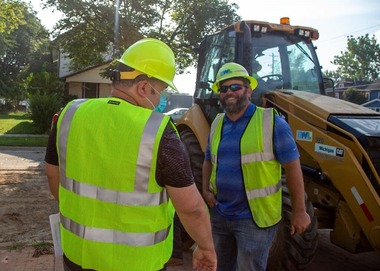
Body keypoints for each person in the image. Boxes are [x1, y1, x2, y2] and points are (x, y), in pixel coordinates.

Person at [45, 38, 216, 271]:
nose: (160, 100)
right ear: (144, 88)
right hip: (137, 264)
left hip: (77, 257)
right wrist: (206, 247)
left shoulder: (69, 114)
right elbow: (191, 208)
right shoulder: (157, 130)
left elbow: (54, 179)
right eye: (161, 91)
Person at [202, 62, 311, 271]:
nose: (229, 93)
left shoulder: (272, 123)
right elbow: (208, 159)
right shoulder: (217, 123)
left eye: (235, 87)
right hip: (221, 214)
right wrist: (206, 190)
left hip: (254, 220)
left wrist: (299, 211)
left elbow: (293, 167)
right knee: (220, 266)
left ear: (249, 90)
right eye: (224, 89)